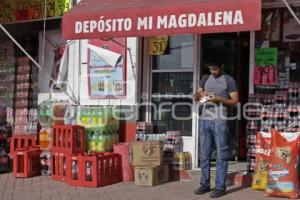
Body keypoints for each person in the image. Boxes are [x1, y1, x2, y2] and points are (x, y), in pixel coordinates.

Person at [194, 60, 239, 198]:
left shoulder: (228, 80)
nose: (212, 71)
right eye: (210, 68)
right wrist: (198, 96)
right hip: (204, 119)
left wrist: (219, 99)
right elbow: (197, 96)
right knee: (204, 153)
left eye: (215, 69)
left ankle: (220, 186)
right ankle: (204, 184)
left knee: (221, 154)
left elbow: (235, 101)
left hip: (220, 120)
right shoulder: (205, 78)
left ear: (222, 66)